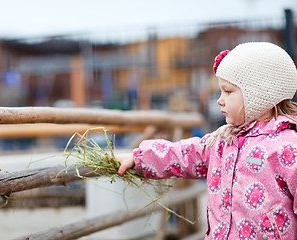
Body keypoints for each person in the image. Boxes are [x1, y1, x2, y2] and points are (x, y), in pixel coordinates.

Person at [117, 42, 297, 239]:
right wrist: (139, 158)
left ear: (259, 95)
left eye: (228, 92)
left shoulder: (287, 147)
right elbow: (184, 154)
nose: (220, 100)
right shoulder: (222, 142)